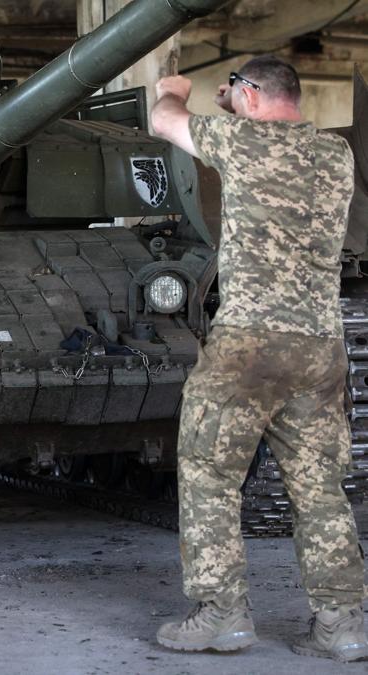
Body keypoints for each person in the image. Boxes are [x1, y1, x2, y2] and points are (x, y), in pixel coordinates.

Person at [150, 55, 368, 662]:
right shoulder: (335, 155)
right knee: (321, 488)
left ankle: (222, 614)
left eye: (239, 92)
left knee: (210, 474)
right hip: (319, 346)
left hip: (247, 344)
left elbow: (165, 120)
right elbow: (271, 132)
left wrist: (176, 89)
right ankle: (343, 624)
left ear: (247, 94)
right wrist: (237, 103)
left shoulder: (238, 139)